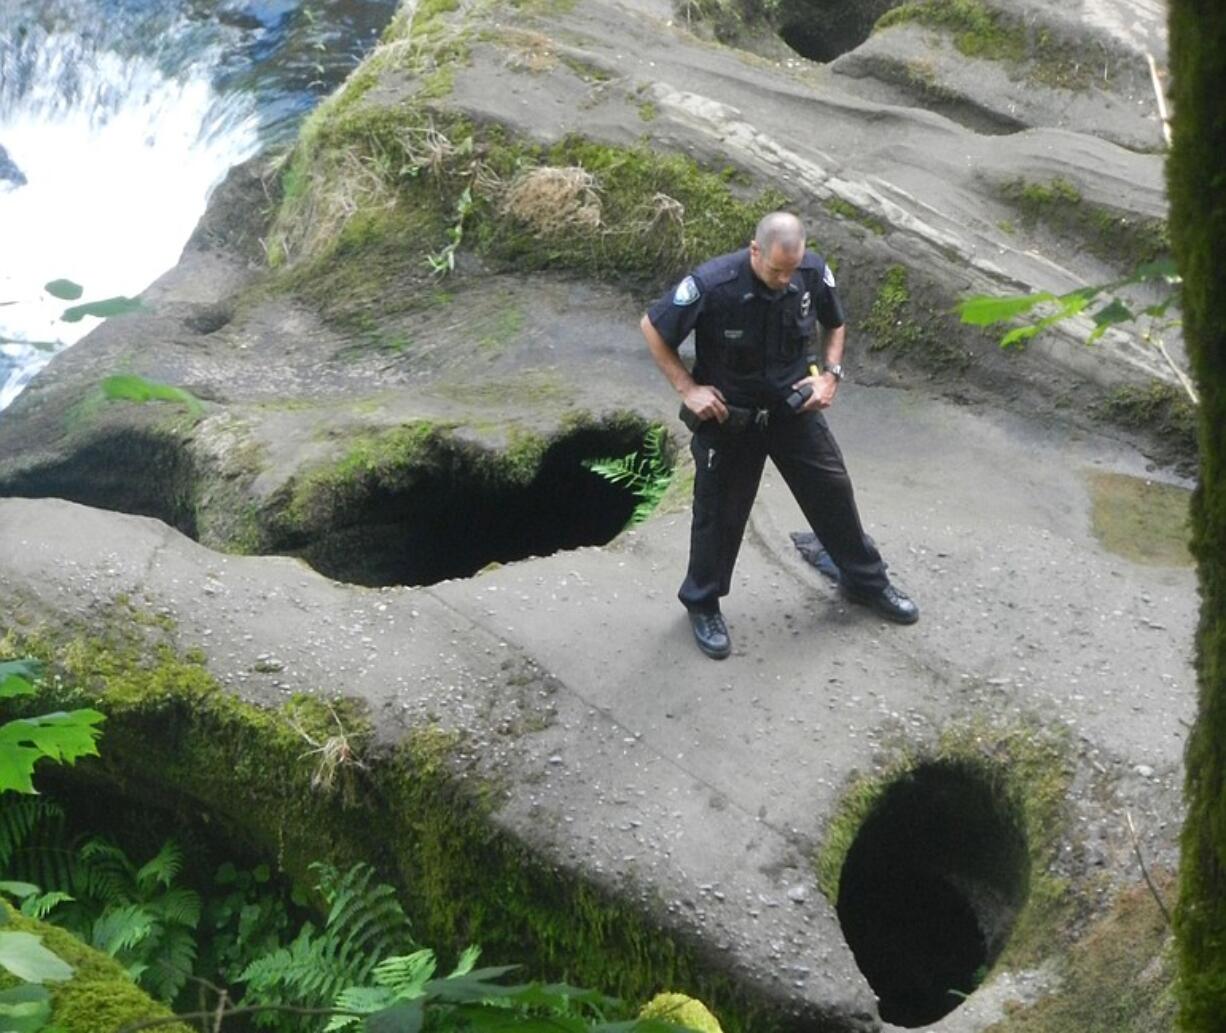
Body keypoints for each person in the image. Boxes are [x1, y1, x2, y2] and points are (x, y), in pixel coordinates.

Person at [640, 211, 918, 660]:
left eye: (792, 269)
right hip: (732, 418)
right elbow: (653, 327)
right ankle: (703, 604)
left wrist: (831, 376)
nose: (785, 278)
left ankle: (866, 582)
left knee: (833, 490)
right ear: (755, 250)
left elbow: (836, 322)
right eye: (776, 270)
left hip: (794, 410)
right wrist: (687, 389)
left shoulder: (810, 271)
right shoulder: (713, 284)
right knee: (719, 514)